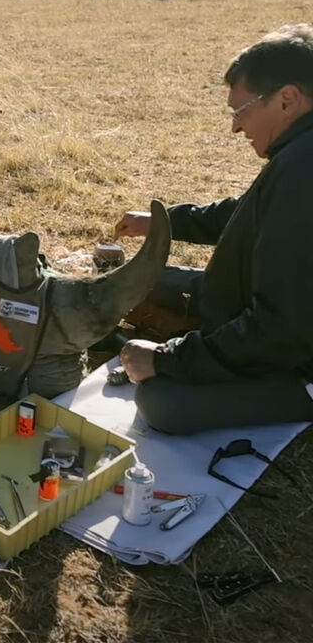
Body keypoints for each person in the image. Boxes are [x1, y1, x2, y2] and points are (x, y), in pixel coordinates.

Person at [113, 25, 313, 434]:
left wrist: (167, 359)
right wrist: (163, 221)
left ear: (287, 100)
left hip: (295, 361)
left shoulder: (302, 169)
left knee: (160, 401)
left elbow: (278, 330)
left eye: (241, 112)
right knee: (139, 283)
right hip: (253, 309)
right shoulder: (297, 154)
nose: (237, 128)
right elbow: (244, 212)